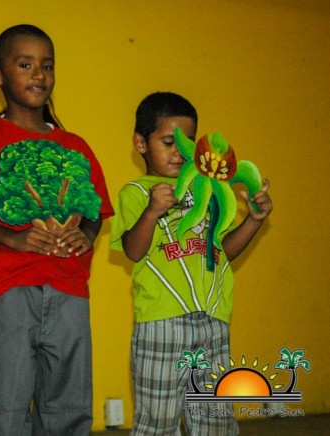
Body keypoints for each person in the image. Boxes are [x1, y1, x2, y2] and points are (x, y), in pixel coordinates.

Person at [0, 24, 114, 435]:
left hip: (70, 289)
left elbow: (96, 209)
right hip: (8, 291)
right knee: (8, 406)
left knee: (70, 406)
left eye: (47, 65)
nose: (38, 74)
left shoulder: (75, 145)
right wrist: (11, 237)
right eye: (25, 64)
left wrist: (89, 235)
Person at [109, 92, 273, 435]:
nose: (179, 154)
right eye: (169, 142)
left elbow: (222, 251)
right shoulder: (136, 192)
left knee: (215, 420)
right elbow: (133, 251)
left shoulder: (210, 192)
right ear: (140, 142)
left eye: (187, 146)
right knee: (158, 421)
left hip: (213, 320)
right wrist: (152, 211)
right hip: (161, 322)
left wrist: (254, 220)